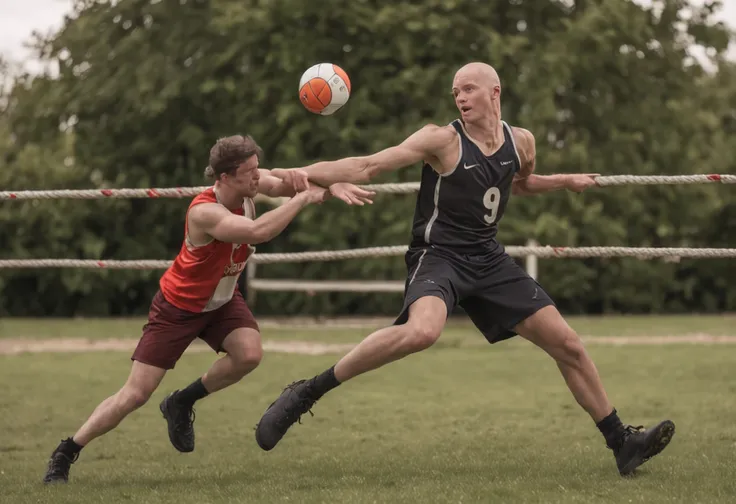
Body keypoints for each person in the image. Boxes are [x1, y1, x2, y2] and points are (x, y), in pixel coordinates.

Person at [255, 63, 675, 476]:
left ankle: (622, 443)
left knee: (568, 344)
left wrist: (564, 180)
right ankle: (306, 392)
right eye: (456, 91)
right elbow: (368, 166)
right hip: (439, 255)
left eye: (469, 89)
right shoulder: (440, 139)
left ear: (495, 93)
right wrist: (297, 175)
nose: (460, 97)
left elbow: (520, 182)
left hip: (488, 258)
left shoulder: (522, 142)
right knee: (423, 332)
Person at [42, 134, 375, 484]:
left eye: (257, 169)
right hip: (179, 308)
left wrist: (332, 184)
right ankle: (67, 451)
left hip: (223, 302)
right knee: (135, 394)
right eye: (249, 172)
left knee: (248, 354)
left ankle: (182, 401)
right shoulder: (205, 212)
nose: (257, 177)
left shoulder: (252, 186)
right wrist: (305, 198)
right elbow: (257, 232)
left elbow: (298, 178)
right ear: (225, 177)